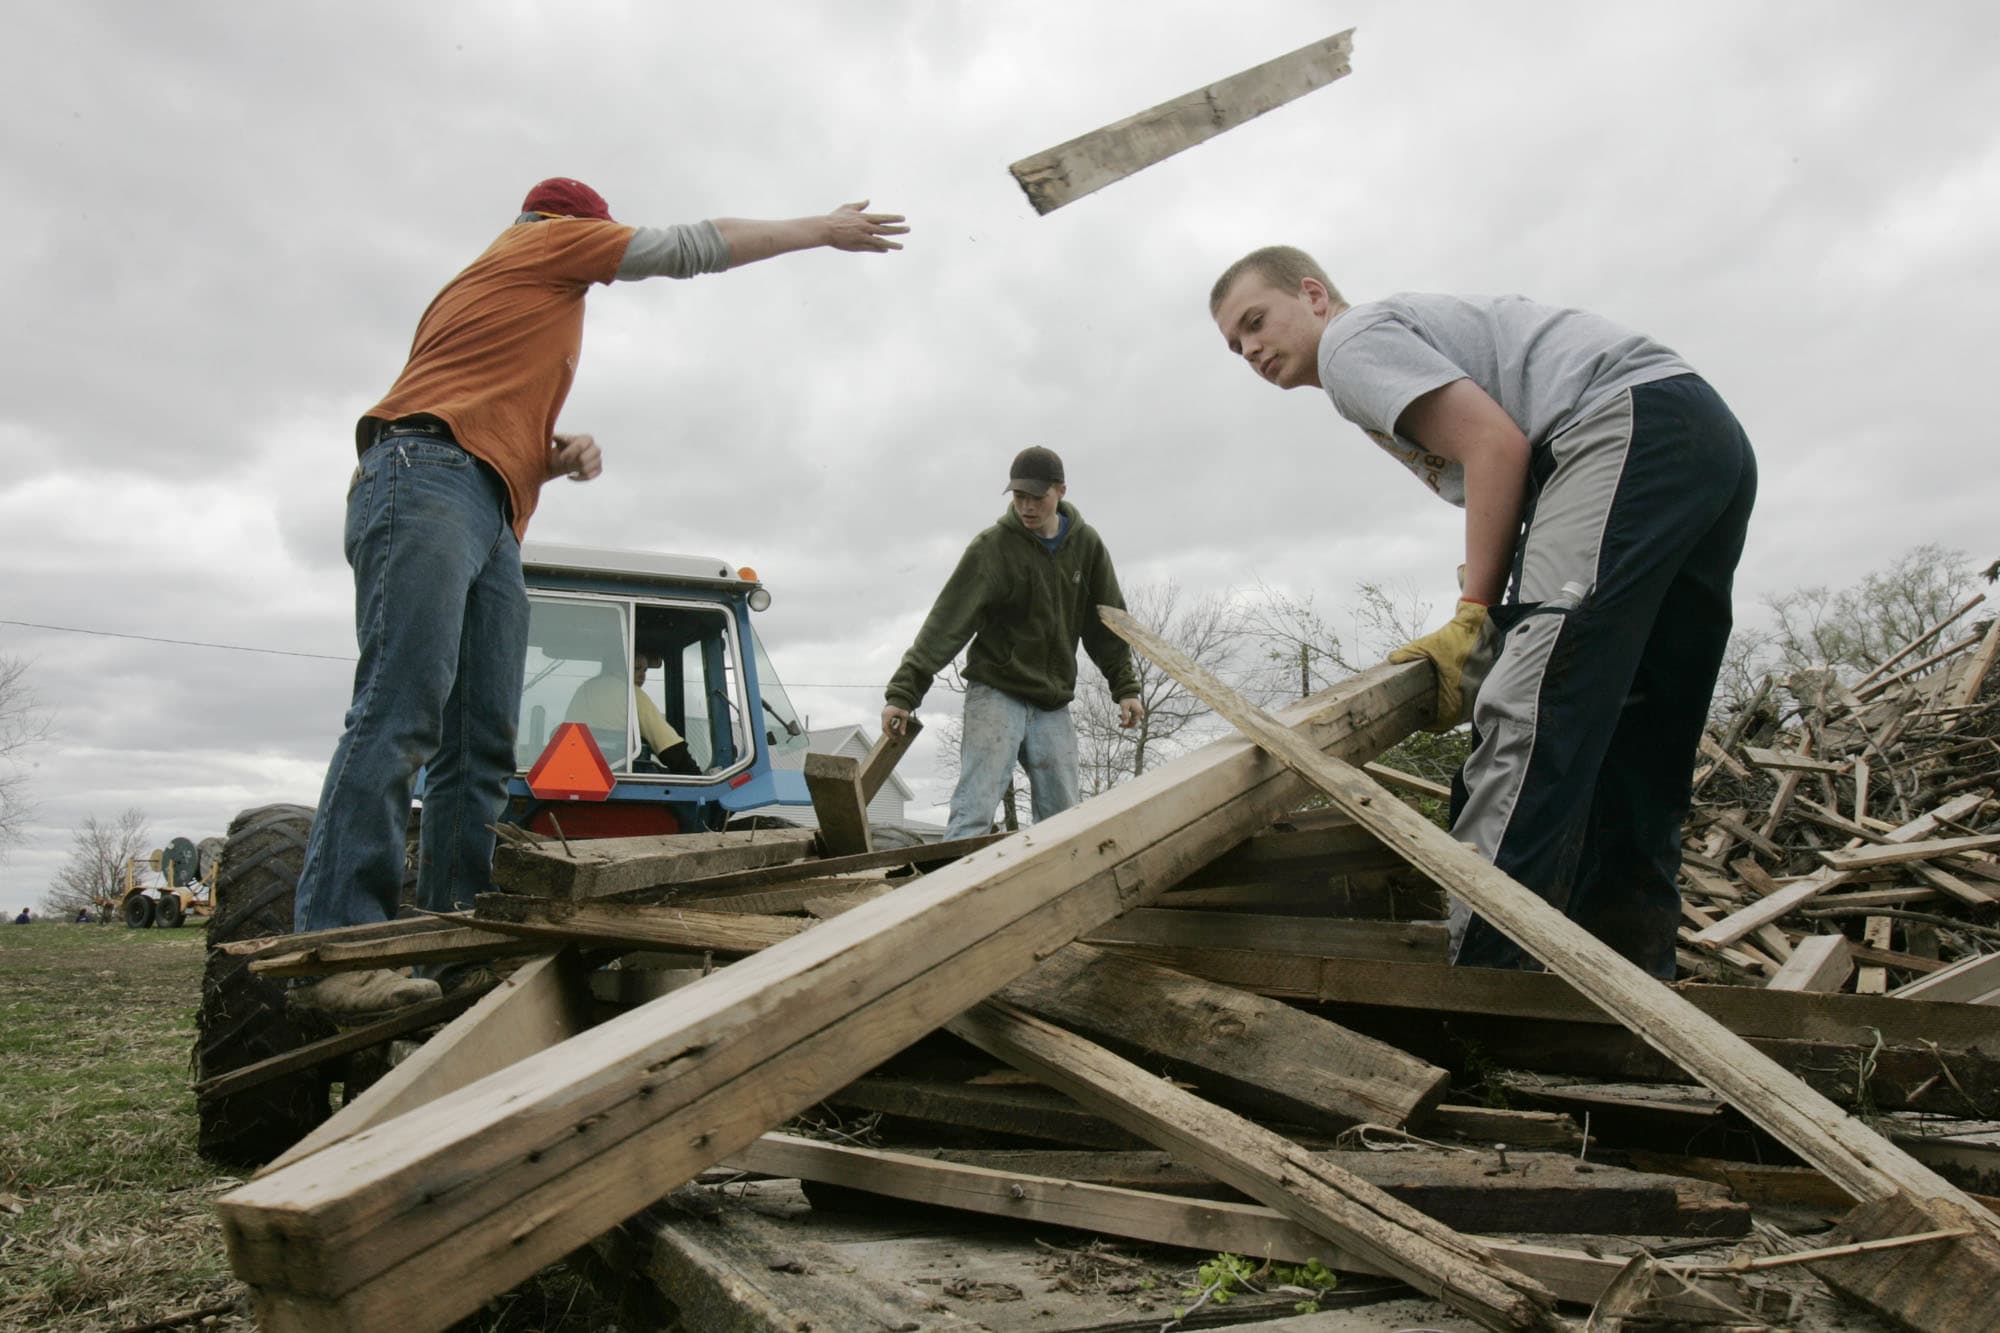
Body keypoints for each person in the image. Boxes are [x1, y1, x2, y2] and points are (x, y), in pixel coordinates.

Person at [291, 178, 908, 1020]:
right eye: (602, 234)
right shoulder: (542, 240)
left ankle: (455, 943)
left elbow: (477, 407)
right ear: (574, 223)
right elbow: (691, 246)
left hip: (487, 498)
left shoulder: (515, 295)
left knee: (479, 748)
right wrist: (820, 230)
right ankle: (338, 944)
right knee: (400, 711)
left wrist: (550, 456)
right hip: (425, 478)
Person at [1210, 247, 1756, 979]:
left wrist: (1474, 613)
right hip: (1696, 434)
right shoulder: (1398, 334)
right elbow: (1514, 457)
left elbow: (1496, 444)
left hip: (1618, 428)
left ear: (1312, 294)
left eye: (1254, 321)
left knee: (1528, 708)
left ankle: (1486, 982)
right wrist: (1507, 582)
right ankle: (1628, 986)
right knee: (1639, 733)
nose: (1248, 349)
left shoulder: (1349, 345)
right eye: (1233, 345)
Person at [882, 447, 1146, 841]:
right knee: (975, 808)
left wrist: (1125, 687)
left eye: (1036, 498)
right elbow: (947, 622)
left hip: (1051, 701)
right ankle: (953, 898)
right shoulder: (993, 547)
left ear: (1060, 491)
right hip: (997, 691)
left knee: (1064, 819)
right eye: (1019, 497)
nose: (1026, 507)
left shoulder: (1086, 546)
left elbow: (1105, 623)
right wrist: (904, 691)